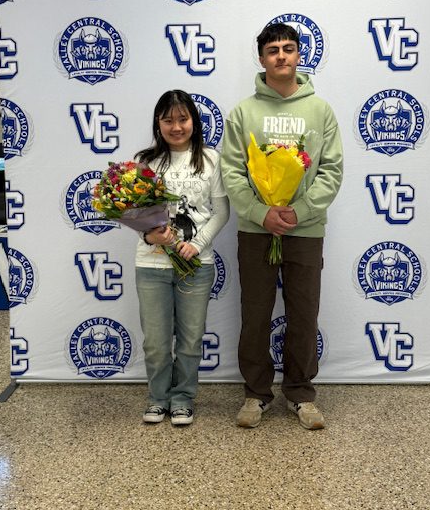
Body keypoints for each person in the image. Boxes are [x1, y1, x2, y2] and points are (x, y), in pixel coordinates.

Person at [220, 23, 343, 430]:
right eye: (273, 50)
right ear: (261, 59)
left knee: (304, 313)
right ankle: (256, 395)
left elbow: (331, 171)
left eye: (288, 48)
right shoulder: (243, 112)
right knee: (255, 313)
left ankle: (301, 394)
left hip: (305, 231)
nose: (281, 56)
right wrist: (262, 213)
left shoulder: (320, 110)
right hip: (257, 231)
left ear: (299, 55)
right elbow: (233, 172)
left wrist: (299, 211)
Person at [135, 90, 229, 426]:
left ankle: (183, 399)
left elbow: (221, 211)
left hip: (197, 264)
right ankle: (158, 398)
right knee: (157, 342)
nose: (176, 126)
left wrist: (198, 243)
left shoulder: (210, 159)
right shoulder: (146, 162)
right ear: (158, 124)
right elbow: (137, 212)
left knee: (190, 340)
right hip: (152, 264)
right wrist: (148, 234)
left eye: (183, 119)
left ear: (194, 122)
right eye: (168, 120)